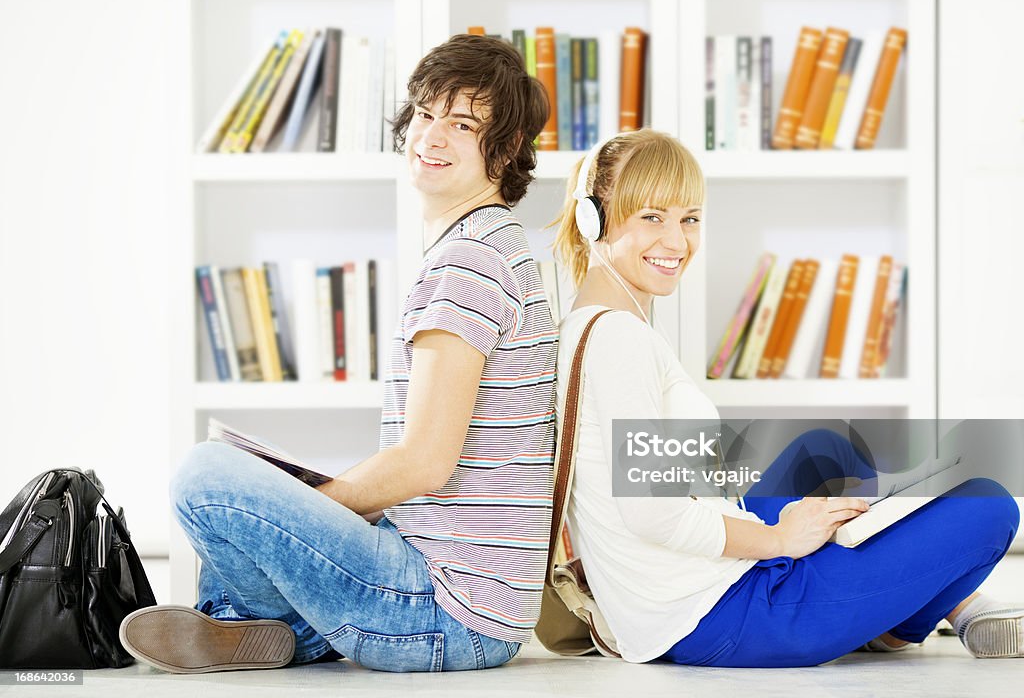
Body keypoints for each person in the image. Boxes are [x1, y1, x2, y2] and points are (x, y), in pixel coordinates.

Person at [120, 34, 556, 674]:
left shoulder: (469, 265)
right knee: (247, 478)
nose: (431, 137)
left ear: (508, 148)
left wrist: (305, 506)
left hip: (445, 610)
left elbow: (424, 464)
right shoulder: (496, 248)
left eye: (462, 125)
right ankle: (269, 629)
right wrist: (298, 504)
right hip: (471, 600)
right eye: (426, 115)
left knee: (205, 477)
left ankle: (263, 627)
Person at [549, 128, 1022, 667]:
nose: (677, 242)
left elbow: (670, 483)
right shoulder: (620, 341)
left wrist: (772, 514)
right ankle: (929, 610)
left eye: (690, 218)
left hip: (682, 596)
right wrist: (779, 540)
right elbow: (653, 516)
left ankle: (926, 606)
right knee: (990, 505)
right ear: (594, 221)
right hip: (720, 613)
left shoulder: (591, 323)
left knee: (825, 451)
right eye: (651, 217)